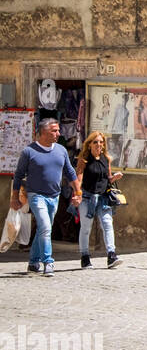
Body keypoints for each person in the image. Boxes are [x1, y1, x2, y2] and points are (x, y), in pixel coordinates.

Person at [10, 116, 81, 277]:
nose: (58, 133)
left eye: (58, 130)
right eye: (54, 131)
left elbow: (70, 172)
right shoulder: (29, 151)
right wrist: (15, 197)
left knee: (43, 228)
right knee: (46, 227)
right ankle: (48, 262)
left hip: (54, 196)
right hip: (36, 195)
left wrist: (78, 192)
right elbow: (19, 175)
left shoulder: (61, 150)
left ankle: (33, 262)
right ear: (43, 132)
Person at [75, 131, 124, 269]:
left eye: (101, 142)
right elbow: (79, 179)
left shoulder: (106, 159)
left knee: (108, 224)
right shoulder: (83, 160)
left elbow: (107, 179)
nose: (99, 145)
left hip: (103, 197)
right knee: (86, 228)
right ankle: (85, 257)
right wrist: (77, 194)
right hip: (87, 197)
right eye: (95, 142)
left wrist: (114, 177)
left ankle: (111, 255)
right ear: (89, 144)